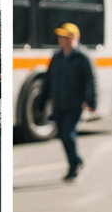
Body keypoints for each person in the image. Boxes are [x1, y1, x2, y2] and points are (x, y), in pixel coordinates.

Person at [34, 22, 96, 182]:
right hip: (59, 103)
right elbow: (48, 80)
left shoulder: (82, 57)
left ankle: (73, 166)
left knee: (68, 134)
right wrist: (42, 101)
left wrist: (91, 102)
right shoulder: (57, 57)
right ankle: (76, 160)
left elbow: (90, 81)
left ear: (72, 38)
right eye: (60, 37)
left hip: (75, 104)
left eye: (64, 37)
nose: (60, 40)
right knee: (62, 135)